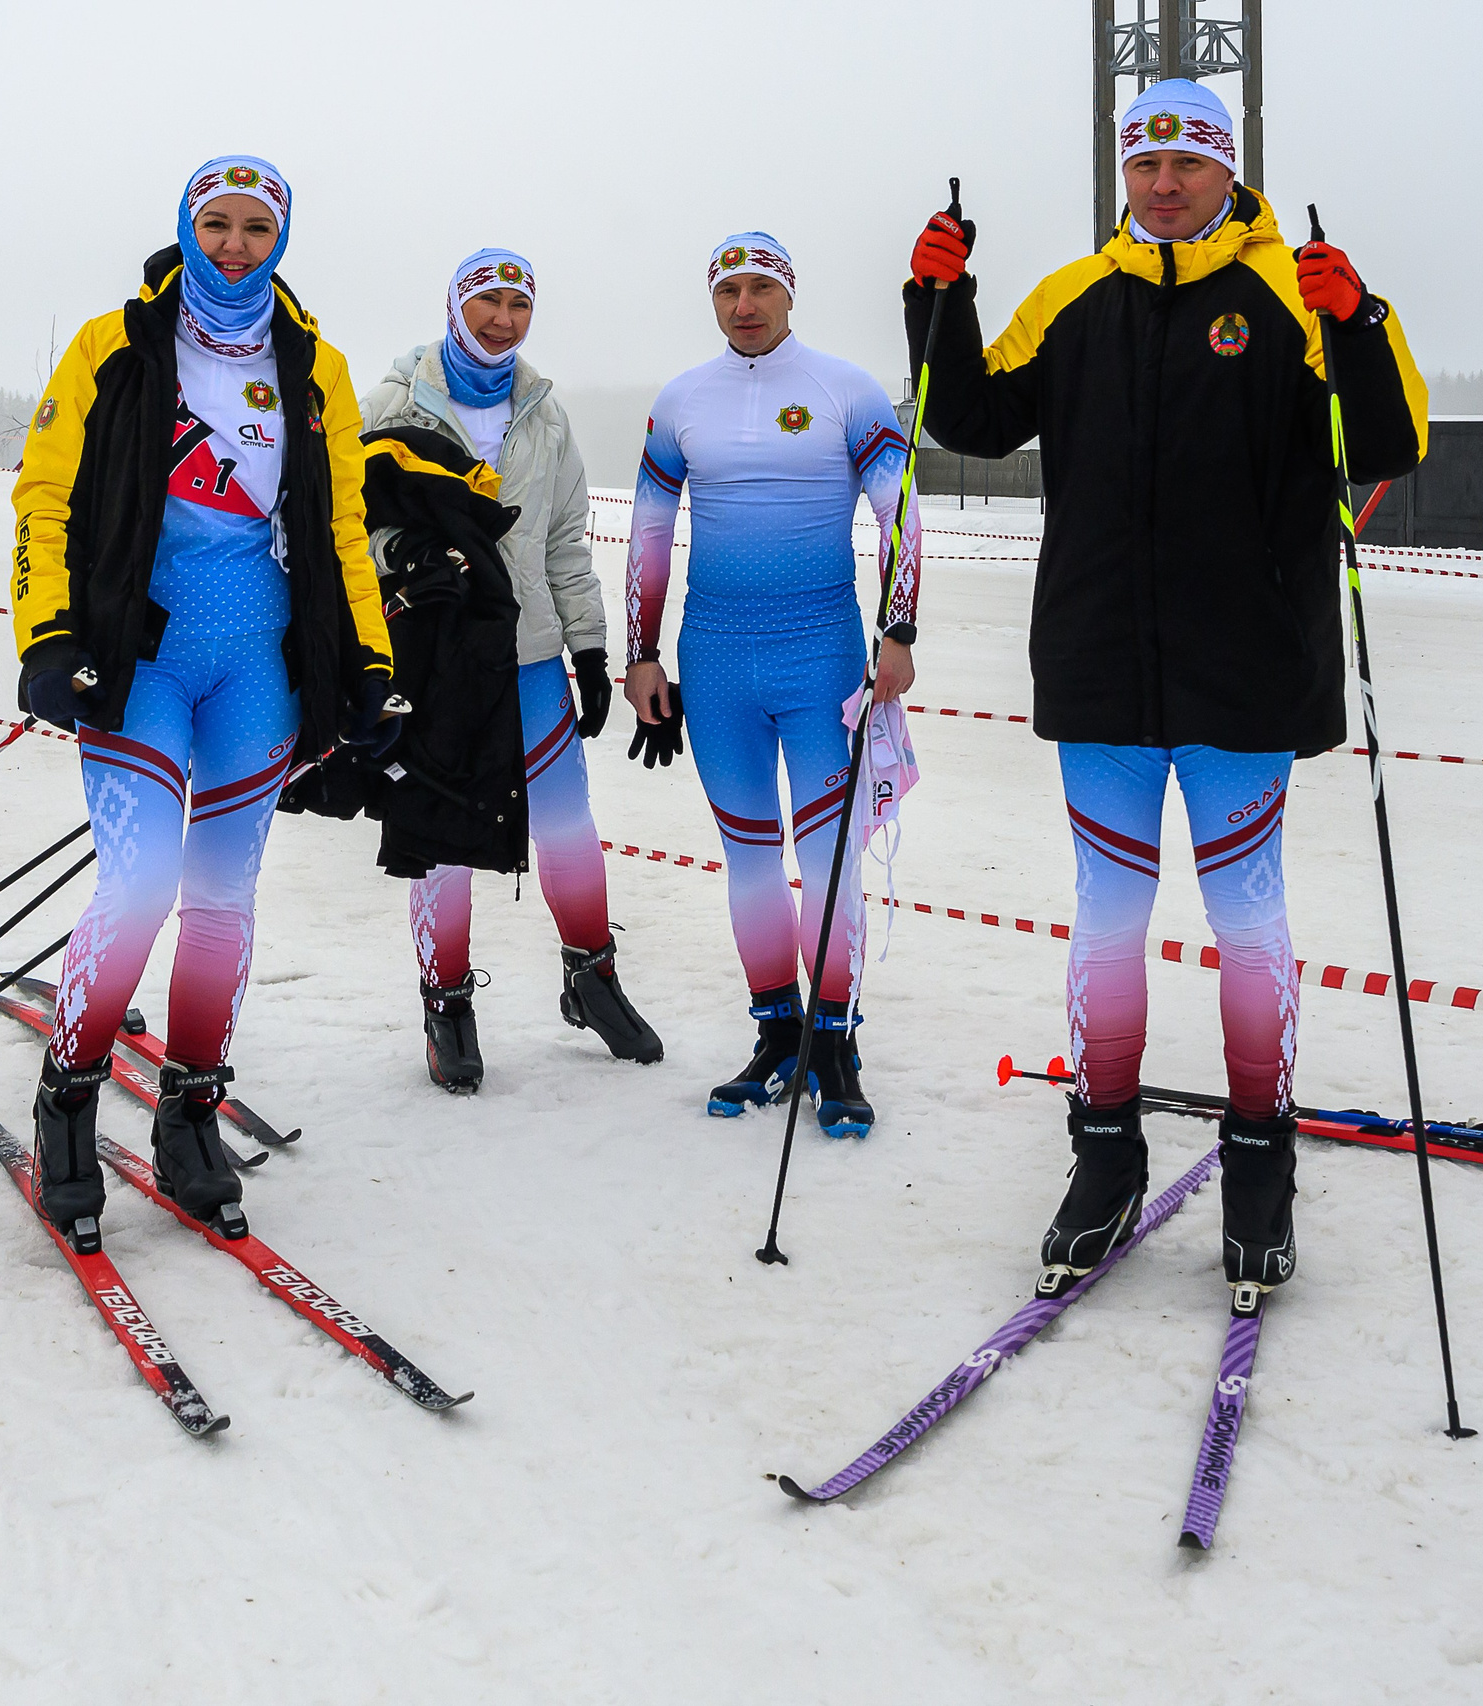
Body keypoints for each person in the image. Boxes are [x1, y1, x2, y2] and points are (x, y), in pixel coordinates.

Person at [903, 80, 1428, 1298]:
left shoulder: (1286, 291)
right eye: (1143, 161)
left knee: (1246, 920)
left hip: (1243, 669)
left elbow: (1387, 443)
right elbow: (970, 417)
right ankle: (1106, 1153)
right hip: (1100, 668)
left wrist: (1356, 320)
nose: (1162, 182)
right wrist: (938, 297)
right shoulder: (1073, 297)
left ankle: (1258, 1159)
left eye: (1186, 161)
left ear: (1225, 168)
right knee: (1106, 918)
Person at [9, 156, 399, 1246]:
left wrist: (366, 662)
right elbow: (45, 499)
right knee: (136, 885)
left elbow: (338, 532)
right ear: (185, 226)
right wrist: (46, 634)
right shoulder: (114, 344)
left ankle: (191, 1111)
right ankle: (70, 1100)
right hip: (143, 660)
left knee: (223, 898)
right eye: (214, 224)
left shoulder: (314, 363)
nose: (233, 245)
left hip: (257, 668)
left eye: (254, 228)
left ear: (281, 238)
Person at [624, 233, 922, 1139]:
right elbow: (646, 531)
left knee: (827, 857)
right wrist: (642, 653)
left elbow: (898, 510)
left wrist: (898, 627)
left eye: (761, 288)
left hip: (822, 652)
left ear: (789, 295)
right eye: (728, 290)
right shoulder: (683, 400)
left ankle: (836, 1043)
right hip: (714, 657)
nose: (744, 304)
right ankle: (776, 1033)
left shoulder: (846, 389)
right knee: (749, 854)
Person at [361, 249, 659, 1092]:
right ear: (455, 306)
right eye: (487, 301)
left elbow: (565, 540)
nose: (502, 319)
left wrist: (590, 648)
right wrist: (409, 556)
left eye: (518, 306)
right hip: (437, 658)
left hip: (528, 658)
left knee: (567, 826)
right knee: (444, 838)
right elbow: (351, 525)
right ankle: (446, 1001)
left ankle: (591, 975)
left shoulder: (545, 414)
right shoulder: (393, 402)